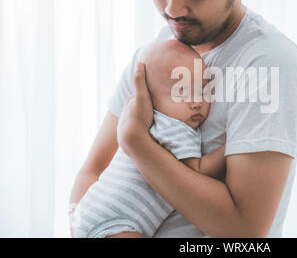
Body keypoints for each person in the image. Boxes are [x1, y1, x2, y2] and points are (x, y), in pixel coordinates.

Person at [70, 0, 297, 238]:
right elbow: (92, 172)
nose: (172, 8)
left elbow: (245, 232)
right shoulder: (158, 54)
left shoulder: (267, 64)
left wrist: (137, 144)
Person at [71, 40, 226, 238]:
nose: (196, 102)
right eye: (182, 92)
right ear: (152, 97)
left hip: (91, 208)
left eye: (202, 91)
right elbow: (200, 169)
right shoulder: (173, 128)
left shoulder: (148, 121)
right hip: (118, 221)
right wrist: (230, 150)